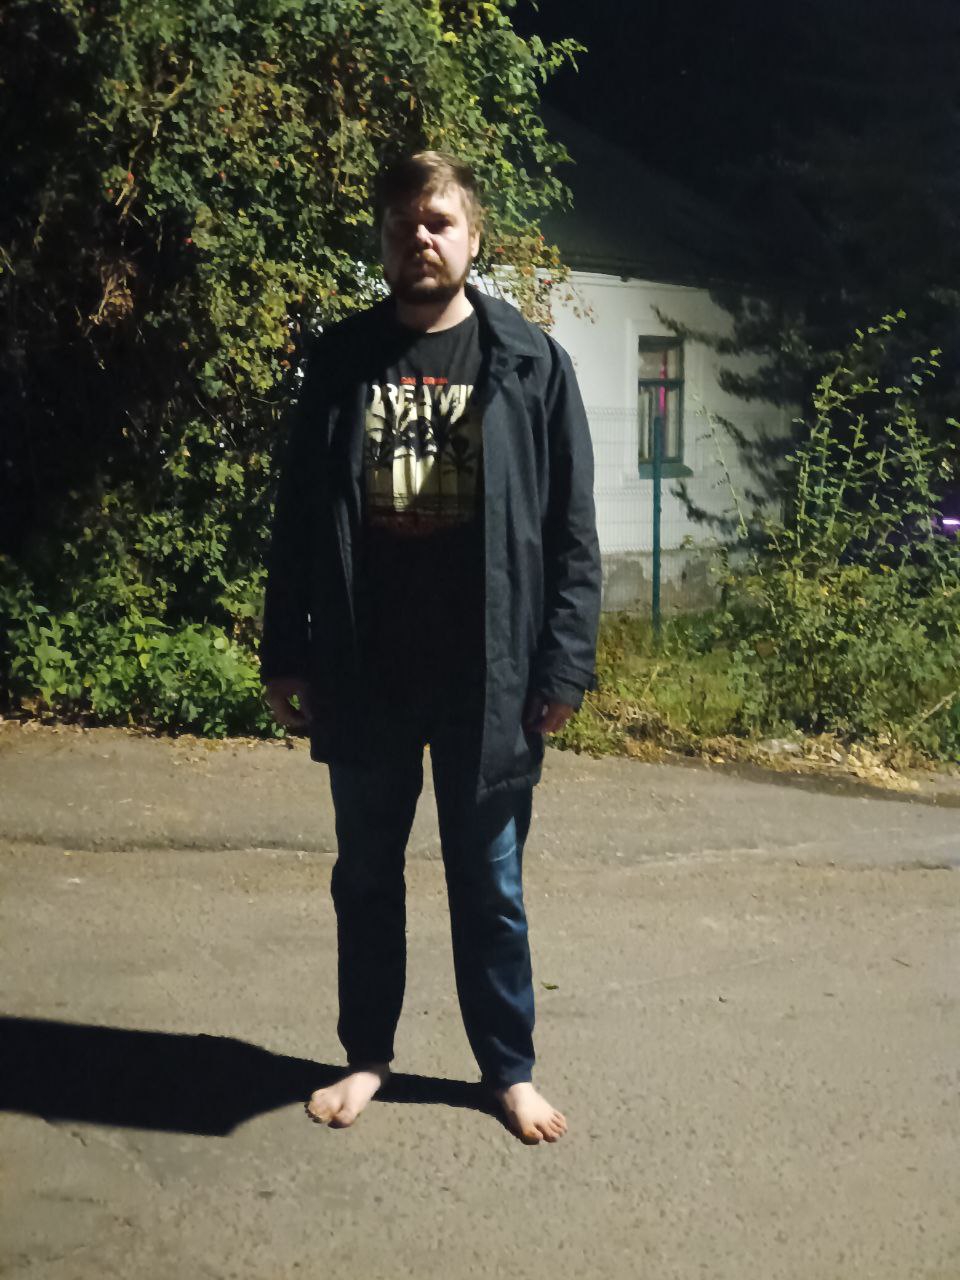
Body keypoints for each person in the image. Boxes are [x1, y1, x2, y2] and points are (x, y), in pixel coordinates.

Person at [260, 151, 601, 1144]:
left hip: (489, 679)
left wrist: (564, 663)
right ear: (383, 241)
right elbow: (296, 520)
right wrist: (287, 652)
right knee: (366, 874)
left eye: (439, 221)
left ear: (473, 238)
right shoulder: (341, 361)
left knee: (490, 883)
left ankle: (509, 1070)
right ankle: (367, 1054)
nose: (421, 236)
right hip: (365, 666)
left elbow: (572, 530)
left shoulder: (529, 362)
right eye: (404, 222)